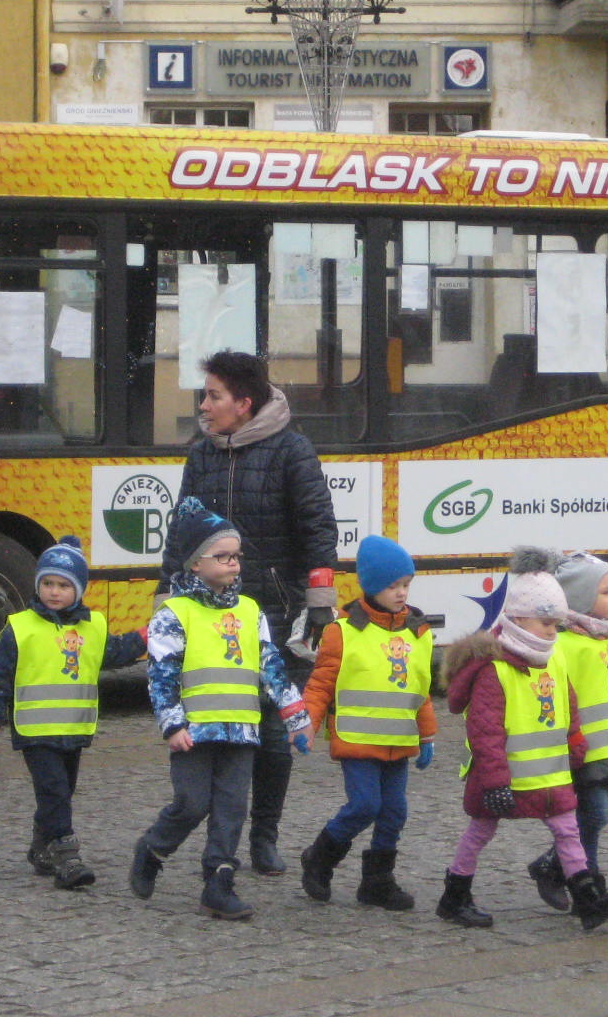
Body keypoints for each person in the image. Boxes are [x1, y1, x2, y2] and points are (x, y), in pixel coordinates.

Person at [159, 350, 338, 876]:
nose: (204, 404)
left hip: (277, 610)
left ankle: (265, 834)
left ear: (244, 403)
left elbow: (318, 531)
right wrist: (168, 601)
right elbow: (181, 533)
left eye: (214, 395)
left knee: (275, 730)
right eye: (205, 394)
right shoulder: (201, 454)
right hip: (212, 615)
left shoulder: (292, 451)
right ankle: (224, 844)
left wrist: (318, 604)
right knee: (222, 728)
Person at [130, 498, 311, 920]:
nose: (233, 565)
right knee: (192, 804)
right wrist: (171, 724)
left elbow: (272, 668)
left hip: (241, 731)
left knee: (232, 808)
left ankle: (219, 881)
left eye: (237, 557)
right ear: (195, 564)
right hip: (194, 730)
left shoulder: (249, 611)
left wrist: (295, 715)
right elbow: (161, 676)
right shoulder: (175, 613)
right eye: (223, 556)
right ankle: (153, 848)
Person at [435, 558, 608, 932]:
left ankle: (589, 900)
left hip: (548, 772)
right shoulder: (495, 669)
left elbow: (568, 707)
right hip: (502, 777)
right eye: (546, 623)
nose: (552, 632)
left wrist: (575, 746)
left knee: (568, 831)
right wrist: (494, 782)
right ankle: (454, 896)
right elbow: (485, 732)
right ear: (520, 619)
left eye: (556, 624)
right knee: (480, 831)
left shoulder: (553, 659)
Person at [0, 534, 148, 890]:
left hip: (73, 729)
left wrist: (145, 638)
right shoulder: (20, 628)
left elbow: (115, 653)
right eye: (48, 584)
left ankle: (41, 846)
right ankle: (67, 857)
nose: (55, 592)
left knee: (62, 792)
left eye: (64, 585)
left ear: (79, 590)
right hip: (35, 733)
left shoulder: (92, 627)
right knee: (53, 791)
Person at [297, 534, 436, 910]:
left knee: (395, 812)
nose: (402, 592)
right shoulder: (342, 632)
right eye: (393, 585)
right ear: (372, 586)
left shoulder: (418, 632)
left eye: (406, 584)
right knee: (364, 806)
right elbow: (321, 684)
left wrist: (428, 735)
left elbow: (419, 689)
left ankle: (377, 881)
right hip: (357, 740)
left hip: (398, 741)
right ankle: (320, 857)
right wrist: (307, 723)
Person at [524, 545, 608, 915]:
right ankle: (584, 883)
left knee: (592, 816)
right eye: (605, 592)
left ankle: (561, 869)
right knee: (596, 813)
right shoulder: (564, 644)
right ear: (580, 597)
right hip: (576, 749)